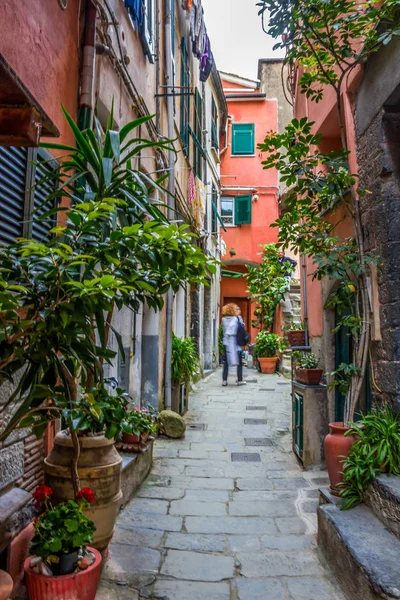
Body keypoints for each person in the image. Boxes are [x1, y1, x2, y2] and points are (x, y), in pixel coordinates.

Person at [221, 303, 246, 387]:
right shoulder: (237, 319)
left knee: (226, 363)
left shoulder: (223, 319)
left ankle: (224, 380)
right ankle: (239, 379)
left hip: (226, 342)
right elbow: (241, 329)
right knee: (239, 362)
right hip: (235, 343)